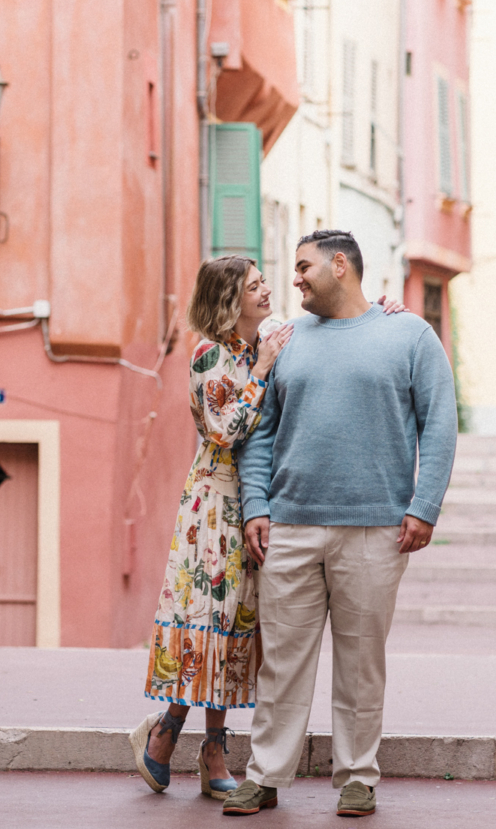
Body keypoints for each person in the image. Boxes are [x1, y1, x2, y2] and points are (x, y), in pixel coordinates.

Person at [131, 254, 405, 801]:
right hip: (213, 506)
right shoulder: (210, 356)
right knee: (208, 619)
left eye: (264, 282)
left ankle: (211, 745)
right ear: (230, 300)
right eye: (255, 286)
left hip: (265, 502)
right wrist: (258, 372)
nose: (268, 291)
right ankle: (173, 731)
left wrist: (381, 308)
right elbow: (225, 430)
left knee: (241, 627)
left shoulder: (276, 337)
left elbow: (337, 321)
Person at [222, 230, 457, 818]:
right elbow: (259, 431)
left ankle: (357, 777)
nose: (293, 278)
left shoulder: (408, 334)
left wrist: (424, 505)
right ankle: (265, 775)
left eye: (303, 267)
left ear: (341, 265)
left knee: (360, 661)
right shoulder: (283, 340)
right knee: (281, 662)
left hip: (376, 529)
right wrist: (257, 505)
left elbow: (440, 423)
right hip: (291, 528)